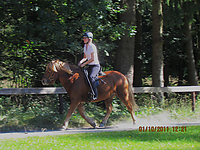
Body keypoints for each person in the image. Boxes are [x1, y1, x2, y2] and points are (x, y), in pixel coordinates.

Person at [78, 31, 100, 100]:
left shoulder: (92, 46)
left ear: (89, 39)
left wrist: (84, 64)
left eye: (85, 38)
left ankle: (95, 94)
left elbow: (92, 59)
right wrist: (80, 62)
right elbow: (85, 57)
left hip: (95, 65)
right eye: (83, 38)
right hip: (90, 65)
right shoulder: (85, 46)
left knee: (91, 77)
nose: (83, 39)